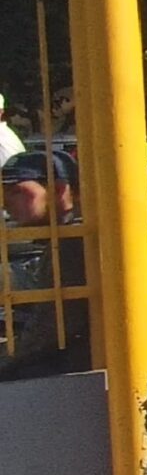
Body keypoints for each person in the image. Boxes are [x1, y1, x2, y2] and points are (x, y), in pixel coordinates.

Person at [0, 148, 86, 375]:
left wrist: (8, 360)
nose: (6, 203)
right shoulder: (69, 235)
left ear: (59, 190)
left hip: (82, 366)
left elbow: (49, 330)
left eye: (16, 192)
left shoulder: (72, 242)